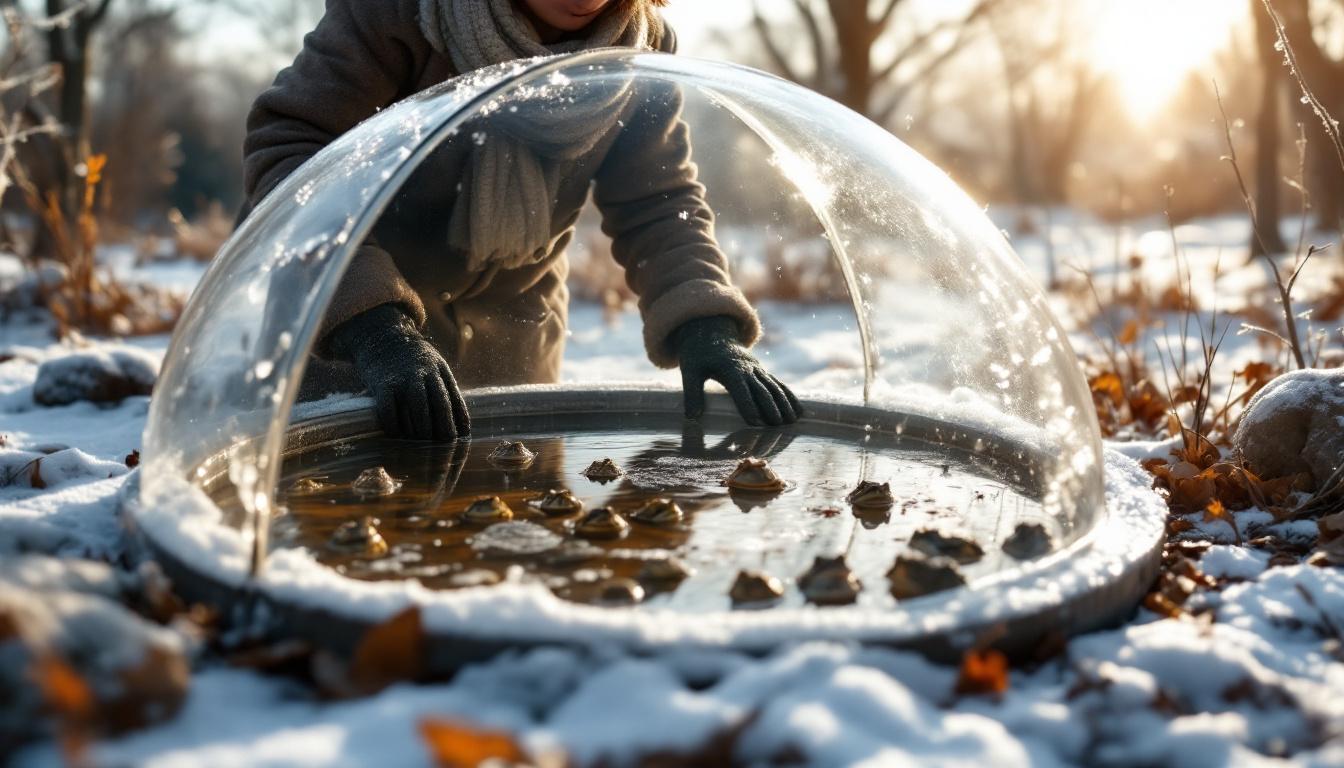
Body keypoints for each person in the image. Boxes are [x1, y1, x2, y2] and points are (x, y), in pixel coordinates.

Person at [241, 0, 801, 441]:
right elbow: (291, 156)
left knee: (514, 548)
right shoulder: (395, 14)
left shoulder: (642, 47)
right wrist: (372, 327)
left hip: (512, 348)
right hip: (354, 339)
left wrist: (704, 323)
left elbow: (657, 201)